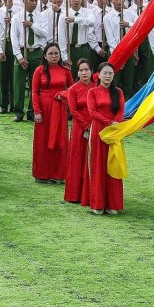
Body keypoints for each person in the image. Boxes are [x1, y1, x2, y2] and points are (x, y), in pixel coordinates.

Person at [85, 62, 125, 215]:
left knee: (113, 164)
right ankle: (98, 204)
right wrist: (109, 123)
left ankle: (113, 204)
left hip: (114, 133)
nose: (108, 76)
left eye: (110, 73)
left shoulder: (118, 92)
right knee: (98, 165)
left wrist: (115, 124)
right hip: (98, 132)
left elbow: (121, 110)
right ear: (98, 75)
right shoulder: (93, 92)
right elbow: (92, 112)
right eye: (105, 73)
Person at [31, 42, 73, 183]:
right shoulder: (39, 71)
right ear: (45, 56)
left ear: (60, 55)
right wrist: (37, 111)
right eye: (50, 54)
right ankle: (42, 174)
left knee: (60, 140)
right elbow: (35, 92)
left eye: (56, 53)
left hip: (59, 108)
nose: (53, 56)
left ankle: (59, 174)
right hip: (44, 108)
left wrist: (63, 95)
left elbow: (72, 89)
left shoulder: (65, 70)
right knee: (42, 140)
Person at [64, 58, 95, 205]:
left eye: (86, 70)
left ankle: (89, 194)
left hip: (94, 125)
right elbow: (73, 111)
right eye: (81, 70)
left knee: (91, 157)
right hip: (79, 127)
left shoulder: (96, 88)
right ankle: (74, 194)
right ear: (77, 73)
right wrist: (86, 125)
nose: (84, 73)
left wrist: (92, 125)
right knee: (77, 158)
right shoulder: (73, 89)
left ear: (92, 71)